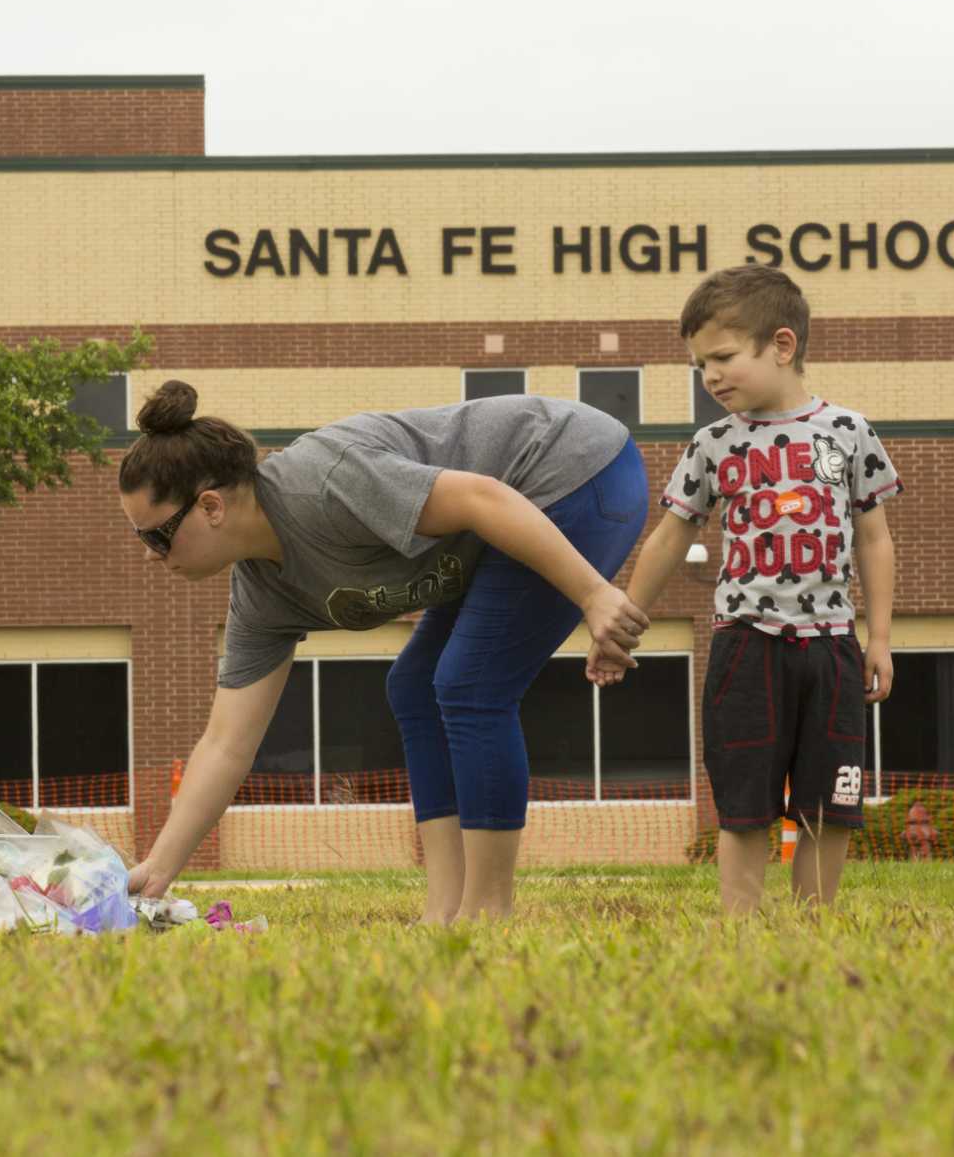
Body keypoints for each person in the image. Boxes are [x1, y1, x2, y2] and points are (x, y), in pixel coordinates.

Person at [119, 381, 649, 921]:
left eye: (155, 537)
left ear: (210, 506)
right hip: (500, 524)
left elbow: (481, 498)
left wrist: (594, 594)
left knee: (470, 684)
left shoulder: (323, 484)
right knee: (415, 687)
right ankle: (445, 909)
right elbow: (226, 744)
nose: (149, 556)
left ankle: (488, 913)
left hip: (572, 472)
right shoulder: (262, 594)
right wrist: (157, 870)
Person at [587, 265, 900, 914]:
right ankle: (741, 928)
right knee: (745, 799)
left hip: (832, 647)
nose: (712, 376)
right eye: (701, 365)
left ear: (781, 345)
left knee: (829, 801)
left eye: (724, 357)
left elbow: (874, 538)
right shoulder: (713, 444)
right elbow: (671, 535)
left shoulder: (849, 433)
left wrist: (881, 636)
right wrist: (624, 621)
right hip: (745, 647)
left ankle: (816, 921)